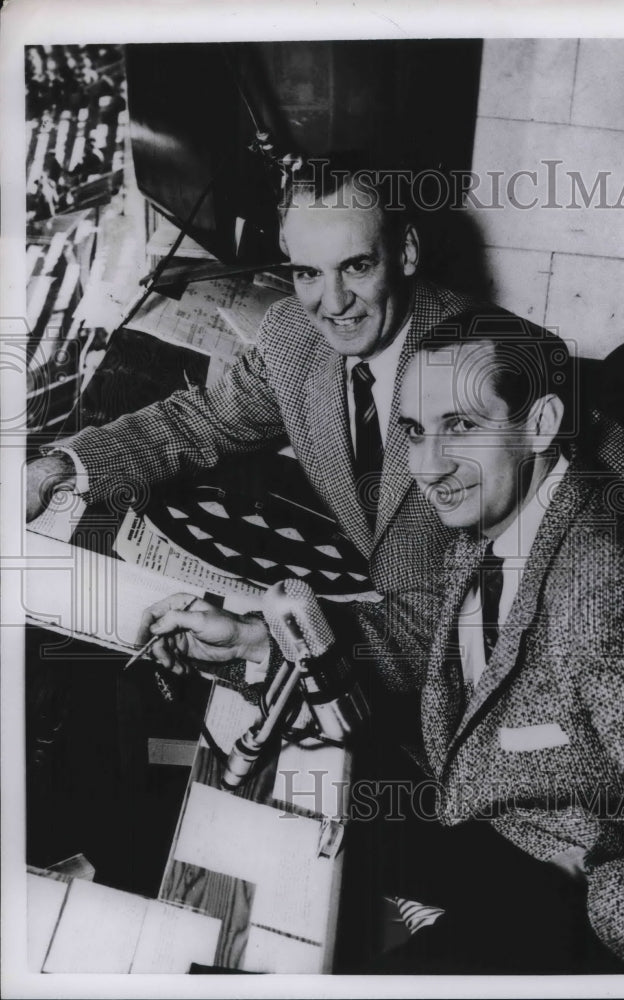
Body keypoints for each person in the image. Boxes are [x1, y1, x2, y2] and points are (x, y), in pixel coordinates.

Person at [369, 307, 624, 973]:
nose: (425, 466)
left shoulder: (609, 590)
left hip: (584, 893)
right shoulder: (507, 508)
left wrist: (613, 907)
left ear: (538, 425)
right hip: (501, 818)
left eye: (459, 427)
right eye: (415, 431)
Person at [25, 160, 476, 692]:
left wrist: (264, 640)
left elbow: (469, 626)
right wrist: (56, 468)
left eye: (356, 266)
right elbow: (202, 422)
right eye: (307, 272)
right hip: (372, 604)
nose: (332, 304)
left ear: (406, 253)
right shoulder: (293, 334)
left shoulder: (489, 376)